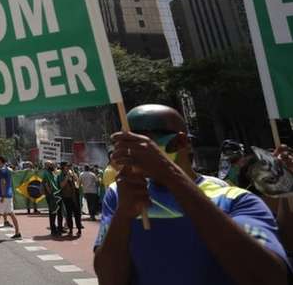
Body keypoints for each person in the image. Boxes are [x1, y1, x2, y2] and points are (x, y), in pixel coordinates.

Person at [94, 104, 289, 285]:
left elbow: (270, 277)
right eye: (126, 142)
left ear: (181, 142)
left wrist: (171, 176)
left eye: (144, 142)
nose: (132, 151)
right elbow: (108, 279)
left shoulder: (233, 199)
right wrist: (123, 216)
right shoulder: (120, 196)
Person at [58, 162, 82, 236]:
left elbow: (78, 183)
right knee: (69, 214)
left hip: (75, 196)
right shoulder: (60, 175)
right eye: (67, 166)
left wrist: (73, 174)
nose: (68, 167)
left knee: (77, 213)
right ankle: (71, 229)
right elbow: (61, 185)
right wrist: (67, 177)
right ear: (63, 167)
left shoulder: (72, 173)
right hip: (67, 197)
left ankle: (79, 229)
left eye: (69, 166)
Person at [41, 161, 63, 236]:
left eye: (53, 165)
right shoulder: (46, 173)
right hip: (52, 195)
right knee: (53, 212)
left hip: (56, 194)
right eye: (51, 165)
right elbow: (46, 184)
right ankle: (53, 230)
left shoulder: (51, 172)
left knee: (57, 211)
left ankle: (58, 228)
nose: (52, 166)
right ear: (47, 166)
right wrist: (50, 193)